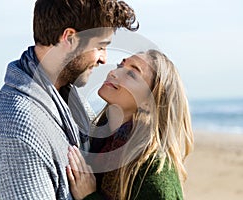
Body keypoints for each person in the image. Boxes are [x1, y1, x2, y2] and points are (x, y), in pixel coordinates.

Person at [0, 0, 138, 199]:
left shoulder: (68, 96)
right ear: (70, 38)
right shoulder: (16, 129)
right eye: (100, 46)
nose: (104, 59)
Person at [66, 49, 194, 200]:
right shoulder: (98, 142)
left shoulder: (155, 169)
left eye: (132, 74)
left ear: (149, 103)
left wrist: (89, 196)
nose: (113, 73)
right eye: (121, 66)